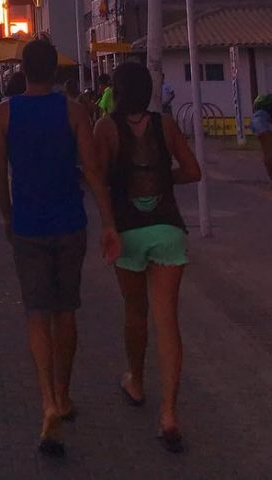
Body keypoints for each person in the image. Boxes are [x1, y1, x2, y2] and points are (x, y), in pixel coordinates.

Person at [0, 39, 121, 457]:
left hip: (28, 225)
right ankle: (63, 396)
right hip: (70, 223)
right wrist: (109, 222)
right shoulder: (73, 111)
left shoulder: (5, 113)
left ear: (24, 70)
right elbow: (92, 168)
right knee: (66, 312)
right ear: (57, 72)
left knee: (36, 314)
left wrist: (8, 216)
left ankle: (46, 398)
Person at [94, 61, 202, 455]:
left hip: (129, 232)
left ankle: (136, 381)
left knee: (135, 312)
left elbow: (98, 178)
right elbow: (193, 171)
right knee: (167, 320)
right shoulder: (166, 125)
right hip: (168, 228)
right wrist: (162, 178)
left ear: (117, 92)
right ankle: (170, 415)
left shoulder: (105, 128)